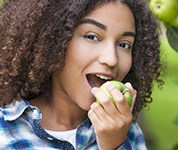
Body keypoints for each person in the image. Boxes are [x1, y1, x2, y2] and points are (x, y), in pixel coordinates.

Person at [0, 0, 163, 149]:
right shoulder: (5, 131)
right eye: (92, 37)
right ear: (54, 40)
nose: (111, 59)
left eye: (124, 45)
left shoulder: (126, 132)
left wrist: (114, 145)